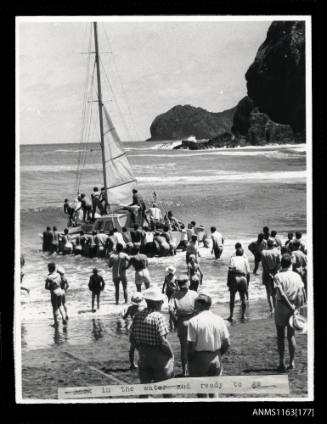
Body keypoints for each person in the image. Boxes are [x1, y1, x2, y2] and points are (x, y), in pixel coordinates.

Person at [187, 293, 230, 397]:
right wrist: (219, 354)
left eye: (195, 304)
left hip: (200, 358)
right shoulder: (219, 319)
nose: (194, 306)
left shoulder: (193, 321)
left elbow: (191, 346)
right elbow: (227, 343)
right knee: (214, 391)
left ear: (200, 305)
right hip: (216, 357)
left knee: (201, 392)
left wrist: (190, 360)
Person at [130, 287, 174, 385]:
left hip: (144, 355)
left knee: (145, 388)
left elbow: (132, 339)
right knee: (166, 386)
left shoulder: (138, 315)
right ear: (156, 302)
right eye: (161, 301)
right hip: (158, 356)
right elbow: (163, 341)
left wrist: (140, 348)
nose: (162, 303)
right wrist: (171, 354)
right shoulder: (159, 317)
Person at [273, 254, 306, 371]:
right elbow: (302, 293)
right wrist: (297, 307)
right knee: (291, 336)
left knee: (280, 336)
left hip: (282, 307)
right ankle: (292, 362)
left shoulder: (277, 276)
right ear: (291, 264)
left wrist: (290, 306)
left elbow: (281, 294)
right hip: (294, 306)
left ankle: (281, 362)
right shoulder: (297, 276)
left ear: (281, 264)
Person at [170, 277, 198, 376]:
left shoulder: (174, 295)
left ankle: (184, 371)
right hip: (194, 320)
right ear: (188, 283)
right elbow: (199, 308)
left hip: (182, 321)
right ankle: (194, 369)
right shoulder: (194, 294)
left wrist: (175, 322)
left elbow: (171, 310)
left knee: (184, 348)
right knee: (195, 346)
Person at [122, 293, 146, 370]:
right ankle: (143, 362)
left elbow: (124, 317)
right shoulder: (143, 308)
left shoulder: (130, 308)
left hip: (133, 328)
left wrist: (122, 312)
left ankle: (132, 364)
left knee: (132, 347)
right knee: (142, 347)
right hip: (141, 328)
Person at [227, 247, 250, 322]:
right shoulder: (245, 259)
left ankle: (231, 315)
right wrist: (248, 283)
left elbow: (230, 270)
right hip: (243, 278)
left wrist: (228, 281)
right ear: (242, 253)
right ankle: (243, 315)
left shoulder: (232, 258)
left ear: (236, 253)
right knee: (243, 297)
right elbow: (248, 272)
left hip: (235, 277)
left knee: (232, 297)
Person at [261, 238, 281, 313]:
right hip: (276, 273)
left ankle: (271, 308)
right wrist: (274, 271)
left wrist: (269, 272)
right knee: (274, 292)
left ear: (267, 244)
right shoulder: (277, 251)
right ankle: (275, 308)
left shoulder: (263, 252)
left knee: (268, 292)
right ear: (274, 244)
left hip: (266, 274)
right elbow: (279, 263)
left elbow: (263, 265)